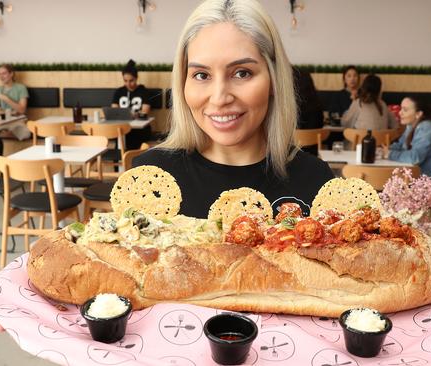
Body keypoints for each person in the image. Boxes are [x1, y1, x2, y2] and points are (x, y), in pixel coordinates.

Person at [132, 0, 334, 219]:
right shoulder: (149, 177)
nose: (219, 98)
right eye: (202, 75)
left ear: (274, 80)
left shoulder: (316, 182)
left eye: (242, 73)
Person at [385, 96, 431, 178]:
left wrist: (390, 154)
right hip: (420, 177)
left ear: (418, 114)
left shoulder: (427, 128)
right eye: (401, 109)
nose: (399, 113)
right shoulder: (411, 126)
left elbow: (415, 158)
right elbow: (401, 145)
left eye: (405, 110)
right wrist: (385, 150)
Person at [111, 59, 153, 150]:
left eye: (131, 80)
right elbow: (114, 111)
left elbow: (145, 112)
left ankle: (126, 160)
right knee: (119, 134)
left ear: (136, 78)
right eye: (125, 81)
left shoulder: (144, 92)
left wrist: (133, 115)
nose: (128, 84)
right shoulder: (119, 92)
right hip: (122, 128)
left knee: (128, 137)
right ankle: (122, 161)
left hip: (139, 130)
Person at [0, 63, 31, 140]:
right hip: (1, 121)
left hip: (16, 121)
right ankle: (5, 133)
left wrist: (6, 99)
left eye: (4, 73)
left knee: (26, 134)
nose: (1, 76)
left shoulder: (21, 88)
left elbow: (22, 110)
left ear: (11, 74)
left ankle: (4, 133)